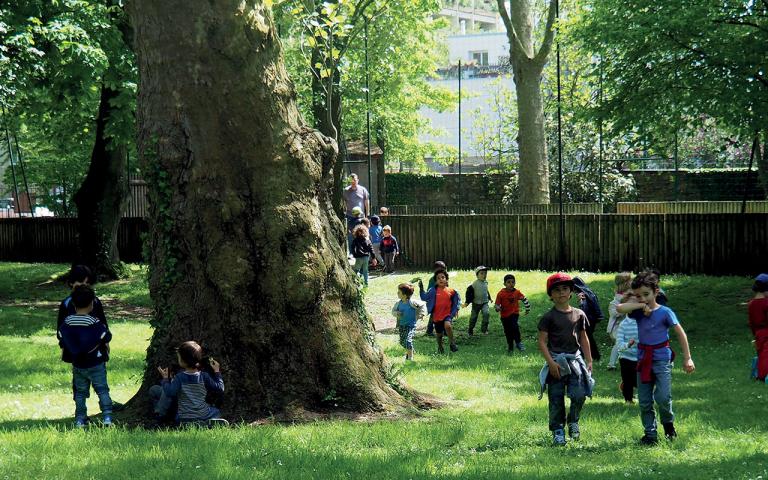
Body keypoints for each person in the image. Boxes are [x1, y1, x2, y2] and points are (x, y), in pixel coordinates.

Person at [618, 270, 695, 445]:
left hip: (661, 360)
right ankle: (650, 435)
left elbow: (680, 333)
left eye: (646, 294)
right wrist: (639, 305)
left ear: (656, 292)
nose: (643, 298)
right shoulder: (637, 312)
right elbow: (619, 308)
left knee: (662, 397)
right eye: (638, 296)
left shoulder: (665, 312)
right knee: (644, 401)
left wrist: (687, 358)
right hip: (643, 360)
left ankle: (669, 427)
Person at [537, 273, 594, 446]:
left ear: (571, 292)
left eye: (565, 289)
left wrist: (589, 360)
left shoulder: (579, 314)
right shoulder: (549, 317)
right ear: (551, 295)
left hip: (575, 362)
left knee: (579, 394)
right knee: (556, 398)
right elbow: (542, 341)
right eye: (557, 290)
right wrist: (551, 363)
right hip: (557, 363)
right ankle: (558, 430)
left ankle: (573, 420)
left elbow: (583, 338)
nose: (561, 293)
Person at [58, 285, 113, 427]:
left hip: (78, 364)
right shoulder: (94, 322)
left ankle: (80, 419)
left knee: (81, 393)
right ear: (92, 304)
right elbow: (106, 336)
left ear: (73, 304)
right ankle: (107, 417)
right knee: (102, 390)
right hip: (96, 362)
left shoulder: (67, 322)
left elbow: (61, 336)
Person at [153, 341, 226, 425]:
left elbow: (170, 392)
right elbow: (220, 388)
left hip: (184, 416)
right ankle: (205, 422)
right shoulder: (204, 376)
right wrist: (217, 371)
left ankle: (188, 423)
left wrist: (165, 379)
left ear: (183, 361)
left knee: (177, 415)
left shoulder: (179, 377)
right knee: (216, 411)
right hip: (203, 414)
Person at [57, 265, 107, 363]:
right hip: (74, 351)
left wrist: (106, 342)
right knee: (78, 374)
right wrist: (64, 345)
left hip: (95, 351)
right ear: (71, 283)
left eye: (87, 283)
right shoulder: (67, 304)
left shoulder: (95, 302)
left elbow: (103, 324)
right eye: (80, 282)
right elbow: (61, 329)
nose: (84, 286)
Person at [420, 270, 461, 353]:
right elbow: (424, 297)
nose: (441, 279)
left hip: (447, 314)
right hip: (437, 316)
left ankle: (452, 343)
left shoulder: (451, 291)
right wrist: (421, 289)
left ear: (446, 280)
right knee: (439, 335)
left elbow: (457, 300)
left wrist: (456, 309)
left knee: (448, 326)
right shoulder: (433, 290)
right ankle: (440, 347)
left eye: (443, 277)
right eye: (438, 278)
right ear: (436, 281)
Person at [494, 274, 532, 352]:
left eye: (513, 282)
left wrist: (527, 308)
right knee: (508, 331)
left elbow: (524, 299)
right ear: (504, 284)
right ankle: (510, 346)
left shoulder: (517, 292)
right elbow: (497, 305)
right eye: (508, 282)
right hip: (504, 316)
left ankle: (518, 342)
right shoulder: (501, 293)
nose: (511, 284)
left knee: (514, 327)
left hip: (514, 313)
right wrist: (497, 308)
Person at [614, 293, 639, 403]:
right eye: (631, 303)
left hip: (641, 357)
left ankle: (643, 395)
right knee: (628, 380)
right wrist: (627, 345)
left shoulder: (643, 321)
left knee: (639, 381)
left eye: (636, 302)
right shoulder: (623, 324)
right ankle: (628, 400)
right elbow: (619, 344)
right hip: (626, 357)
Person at [392, 283, 427, 361]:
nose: (397, 293)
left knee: (408, 340)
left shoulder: (412, 302)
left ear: (404, 295)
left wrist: (422, 314)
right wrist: (397, 313)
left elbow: (423, 304)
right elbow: (393, 311)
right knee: (402, 342)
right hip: (402, 325)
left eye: (399, 292)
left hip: (411, 325)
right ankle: (410, 351)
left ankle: (410, 357)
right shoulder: (398, 303)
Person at [572, 277, 604, 362]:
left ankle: (587, 354)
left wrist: (580, 302)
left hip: (588, 318)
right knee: (588, 337)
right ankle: (593, 355)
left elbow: (584, 307)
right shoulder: (589, 291)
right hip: (593, 317)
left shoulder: (582, 294)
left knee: (584, 337)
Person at [606, 272, 633, 370]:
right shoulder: (615, 301)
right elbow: (615, 313)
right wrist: (626, 308)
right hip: (616, 328)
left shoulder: (631, 298)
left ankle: (628, 363)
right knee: (618, 344)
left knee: (627, 345)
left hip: (626, 328)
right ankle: (611, 364)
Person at [418, 261, 447, 336]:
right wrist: (421, 288)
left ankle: (445, 331)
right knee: (433, 318)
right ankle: (429, 331)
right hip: (435, 303)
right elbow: (427, 295)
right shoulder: (432, 280)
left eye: (443, 270)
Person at [748, 273, 768, 381]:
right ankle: (762, 376)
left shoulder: (751, 304)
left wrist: (755, 335)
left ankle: (759, 373)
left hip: (758, 334)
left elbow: (751, 322)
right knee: (766, 356)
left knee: (761, 355)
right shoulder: (766, 303)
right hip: (766, 333)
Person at [465, 266, 491, 336]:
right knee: (473, 317)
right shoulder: (475, 284)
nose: (484, 275)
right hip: (476, 303)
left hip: (484, 302)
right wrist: (467, 301)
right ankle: (470, 329)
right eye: (482, 273)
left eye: (485, 273)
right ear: (477, 275)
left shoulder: (485, 282)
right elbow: (469, 291)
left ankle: (484, 329)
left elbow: (486, 291)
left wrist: (490, 298)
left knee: (486, 314)